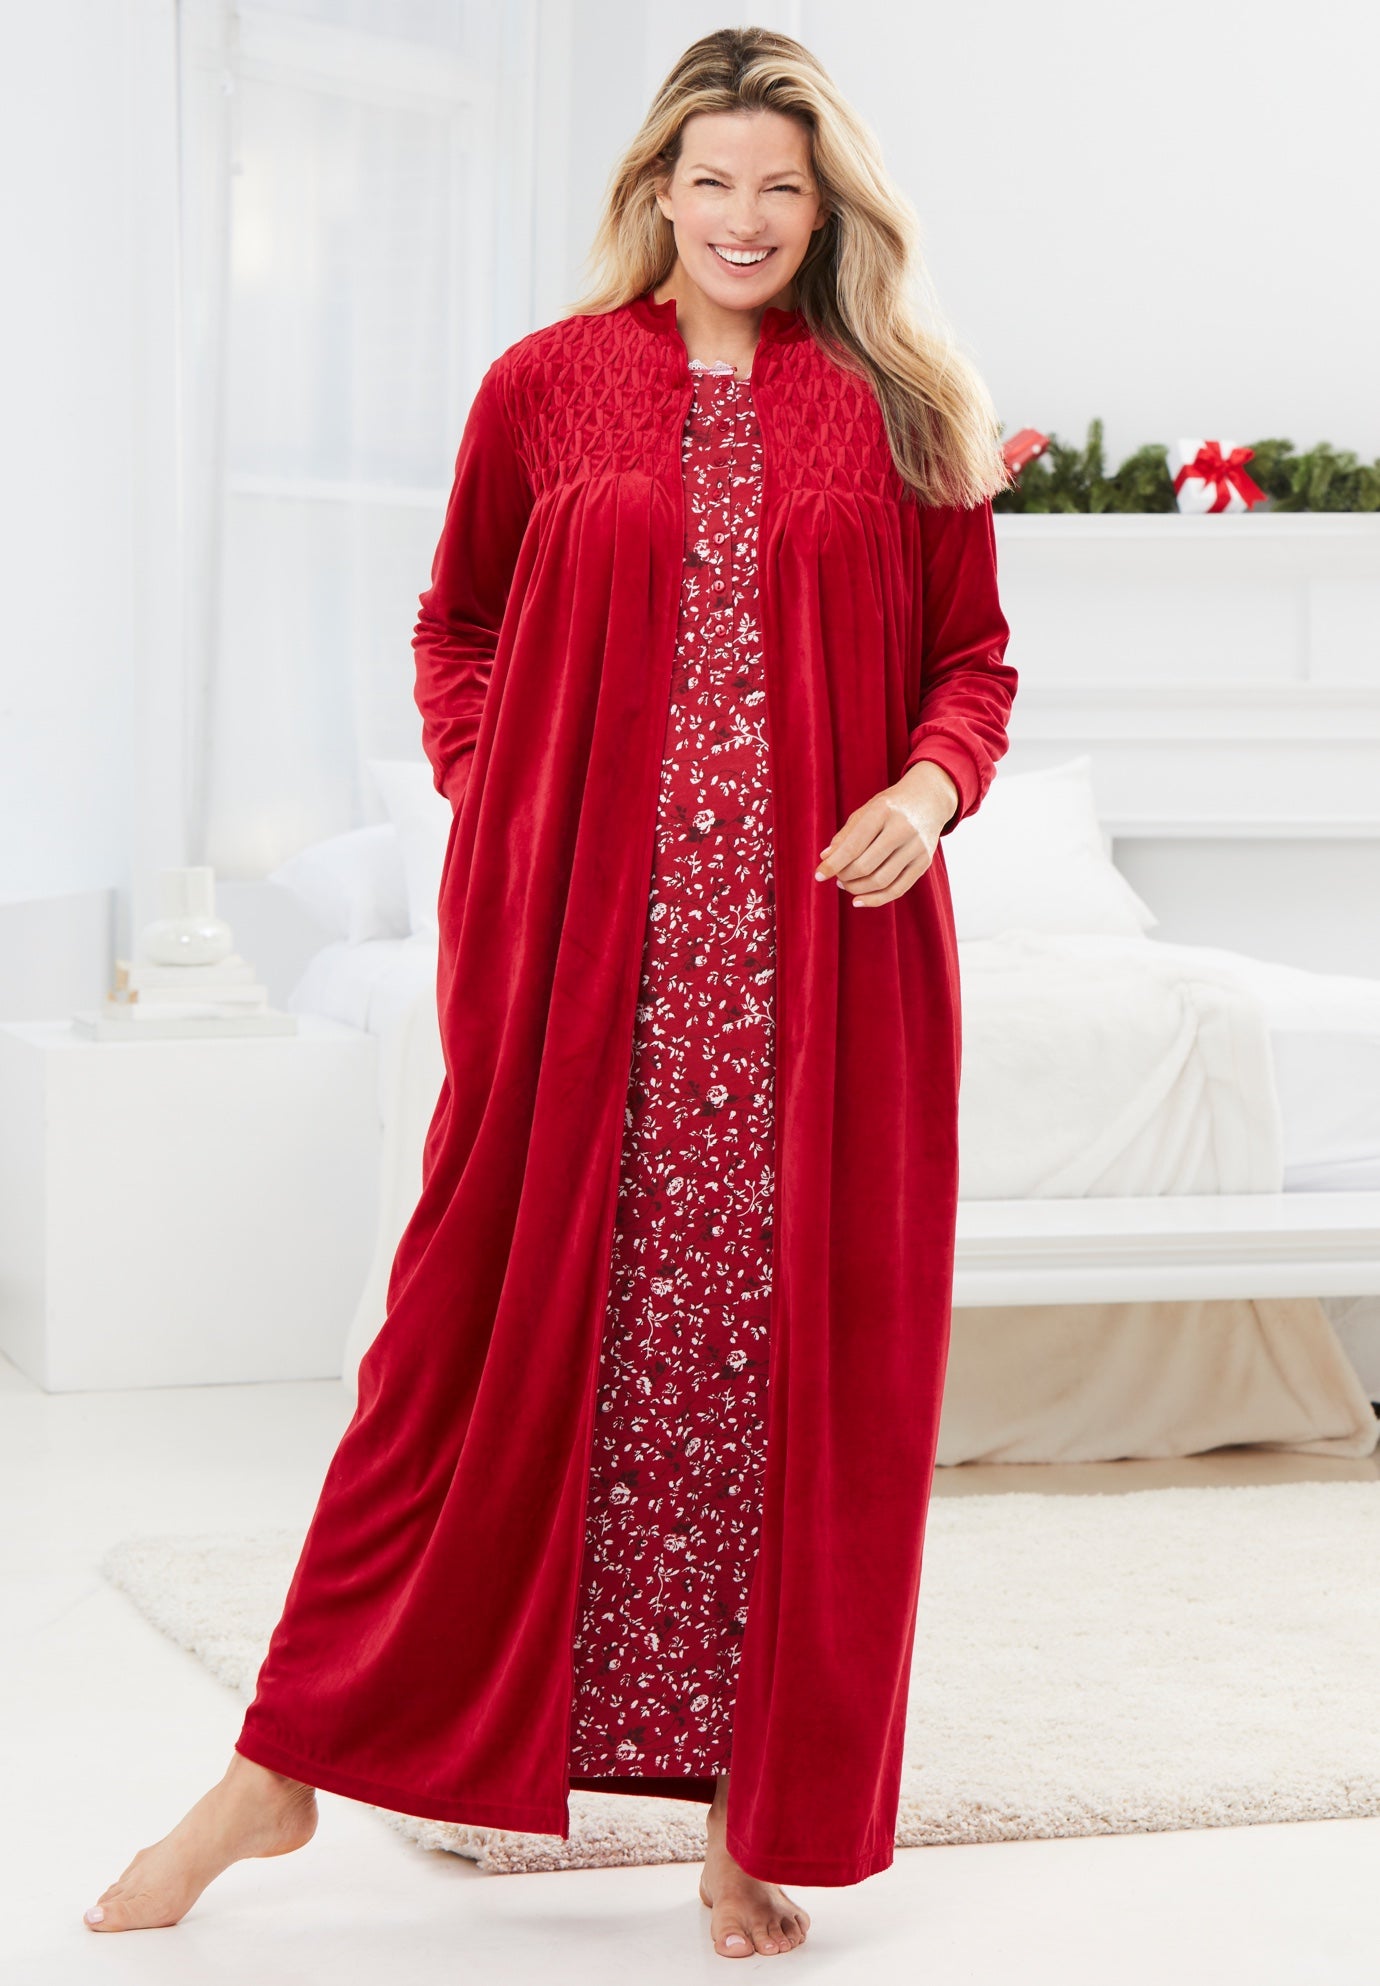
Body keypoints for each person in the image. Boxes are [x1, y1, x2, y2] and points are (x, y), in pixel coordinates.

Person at [84, 25, 1016, 1958]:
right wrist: (508, 793)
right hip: (581, 976)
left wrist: (929, 792)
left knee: (785, 1397)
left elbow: (973, 663)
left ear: (826, 205)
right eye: (712, 181)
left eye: (780, 186)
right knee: (455, 1363)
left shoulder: (902, 410)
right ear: (657, 192)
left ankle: (748, 1820)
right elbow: (457, 626)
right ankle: (279, 1765)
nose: (744, 217)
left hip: (826, 993)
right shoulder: (545, 384)